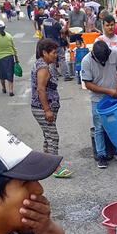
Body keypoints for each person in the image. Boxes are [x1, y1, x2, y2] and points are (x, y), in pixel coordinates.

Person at [31, 39, 72, 178]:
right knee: (53, 136)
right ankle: (55, 167)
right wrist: (47, 110)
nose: (56, 55)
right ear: (44, 53)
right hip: (42, 108)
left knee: (48, 134)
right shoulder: (43, 68)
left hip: (43, 107)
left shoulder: (44, 65)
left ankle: (45, 162)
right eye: (53, 53)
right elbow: (41, 89)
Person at [82, 41, 117, 169]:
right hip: (98, 98)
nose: (104, 62)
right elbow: (88, 84)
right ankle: (101, 155)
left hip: (115, 96)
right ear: (94, 55)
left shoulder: (114, 54)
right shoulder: (86, 61)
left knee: (116, 124)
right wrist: (108, 91)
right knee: (99, 127)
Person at [0, 20, 18, 96]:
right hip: (10, 57)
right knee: (10, 73)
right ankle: (11, 90)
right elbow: (14, 48)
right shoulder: (9, 36)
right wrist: (16, 58)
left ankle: (4, 88)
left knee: (2, 74)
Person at [42, 11, 72, 81]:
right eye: (58, 16)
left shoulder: (45, 21)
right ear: (54, 16)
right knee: (62, 58)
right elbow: (63, 31)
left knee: (52, 59)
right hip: (56, 44)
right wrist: (67, 24)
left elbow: (43, 31)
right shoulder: (56, 23)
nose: (59, 17)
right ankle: (66, 75)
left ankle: (54, 75)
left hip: (48, 43)